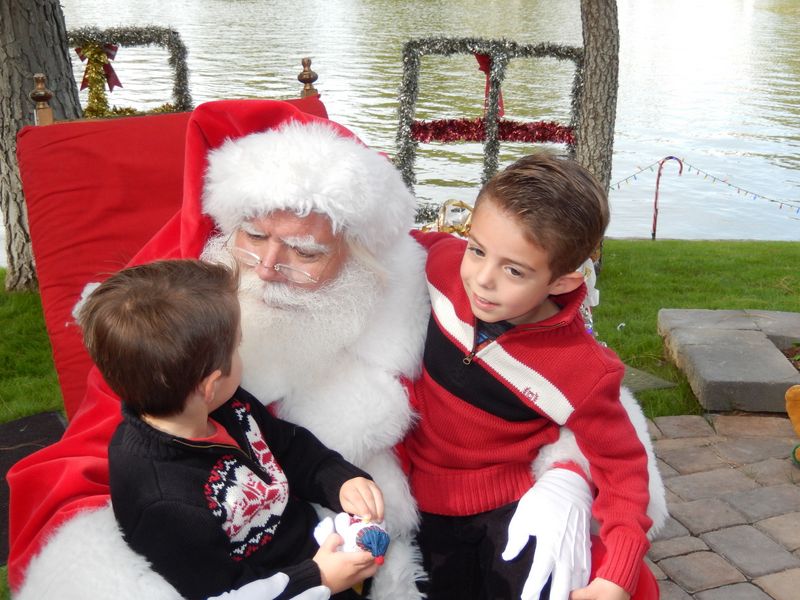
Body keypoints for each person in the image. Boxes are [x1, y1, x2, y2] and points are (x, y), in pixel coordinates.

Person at [7, 100, 665, 600]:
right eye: (253, 236)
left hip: (415, 528)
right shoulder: (177, 321)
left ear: (357, 249)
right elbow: (88, 470)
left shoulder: (424, 280)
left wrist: (571, 473)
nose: (265, 267)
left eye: (306, 250)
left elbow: (572, 371)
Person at [405, 153, 658, 600]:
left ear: (561, 282)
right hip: (415, 500)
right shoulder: (444, 267)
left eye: (514, 270)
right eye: (478, 249)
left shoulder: (583, 369)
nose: (481, 279)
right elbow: (393, 237)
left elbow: (624, 471)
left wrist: (616, 574)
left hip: (506, 511)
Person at [75, 258, 384, 599]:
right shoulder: (164, 503)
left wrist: (337, 479)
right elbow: (225, 592)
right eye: (237, 346)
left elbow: (288, 447)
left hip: (318, 554)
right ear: (209, 385)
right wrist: (317, 579)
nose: (241, 354)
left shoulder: (229, 406)